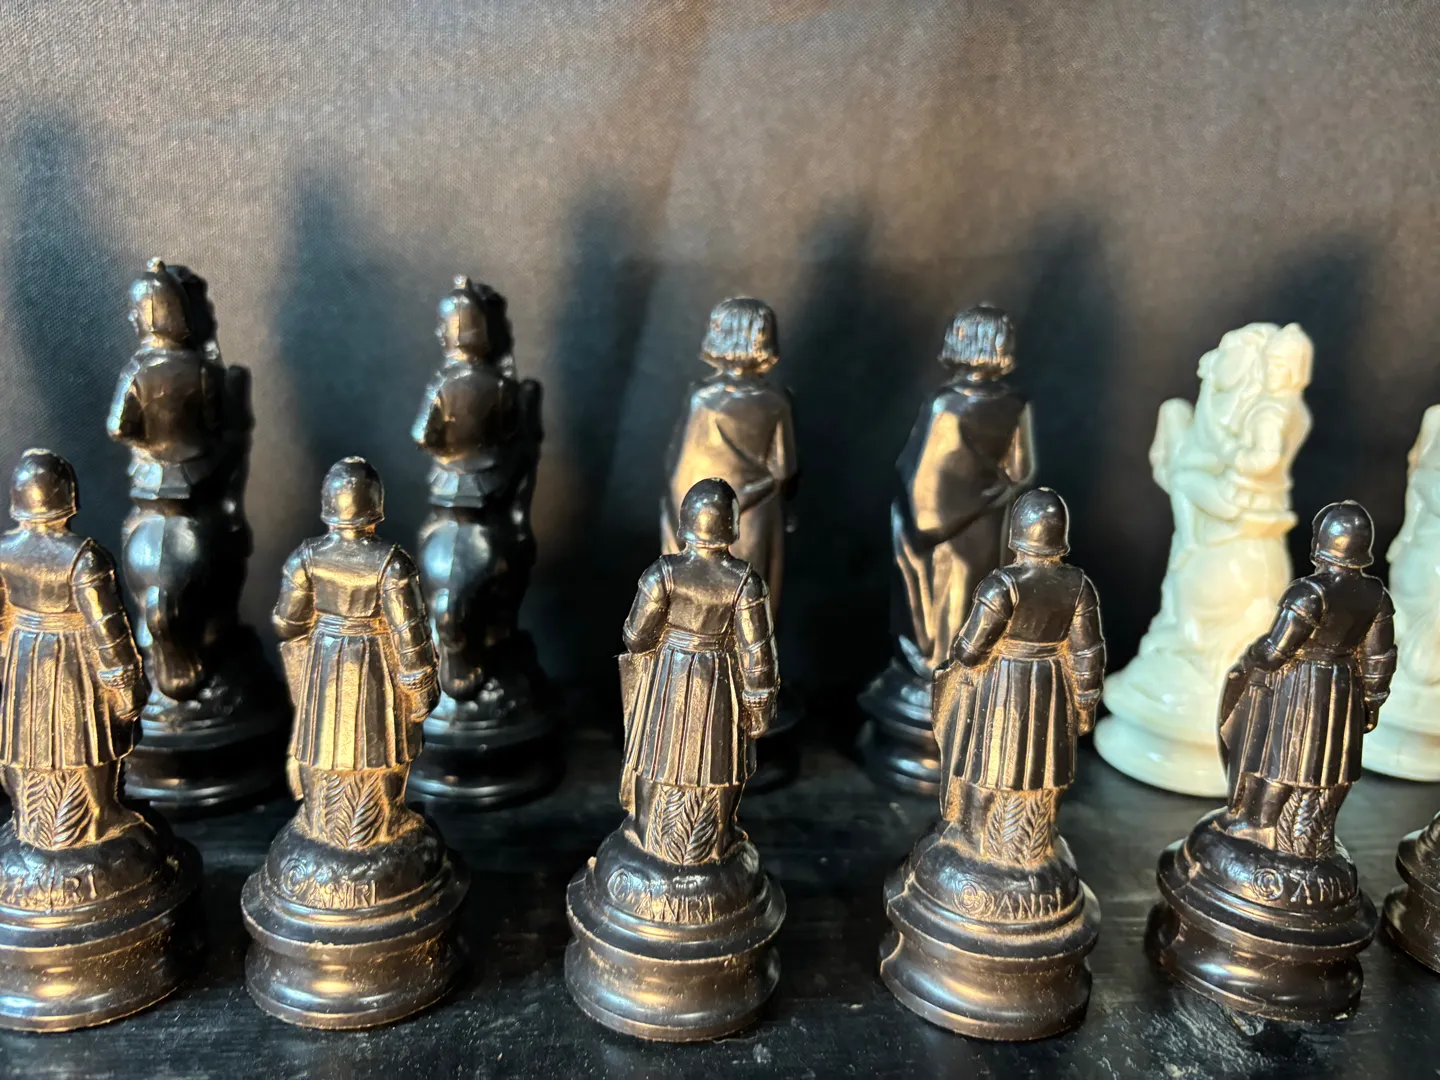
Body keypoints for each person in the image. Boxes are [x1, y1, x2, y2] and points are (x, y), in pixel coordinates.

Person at [272, 457, 438, 847]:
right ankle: (378, 821)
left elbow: (287, 623)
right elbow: (410, 637)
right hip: (378, 665)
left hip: (324, 662)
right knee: (385, 746)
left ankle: (331, 824)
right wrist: (421, 690)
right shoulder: (392, 564)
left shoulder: (306, 558)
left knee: (321, 744)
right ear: (375, 505)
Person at [1219, 501, 1396, 853]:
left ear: (1321, 543)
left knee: (1282, 757)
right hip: (1345, 687)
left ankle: (1261, 825)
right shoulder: (1376, 595)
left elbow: (1275, 651)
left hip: (1299, 684)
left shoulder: (1309, 593)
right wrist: (1372, 702)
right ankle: (1310, 835)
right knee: (1333, 764)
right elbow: (1379, 658)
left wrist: (1248, 661)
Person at [620, 478, 778, 864]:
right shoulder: (745, 583)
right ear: (732, 526)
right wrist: (760, 707)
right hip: (720, 682)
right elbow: (757, 656)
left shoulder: (663, 574)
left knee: (654, 756)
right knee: (722, 764)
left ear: (686, 524)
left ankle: (649, 833)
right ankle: (715, 840)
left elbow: (635, 638)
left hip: (667, 678)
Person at [934, 488, 1104, 840]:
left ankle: (977, 838)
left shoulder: (1001, 586)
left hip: (1001, 684)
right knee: (1046, 769)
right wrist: (1086, 703)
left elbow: (969, 651)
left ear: (1018, 534)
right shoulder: (1079, 586)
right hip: (1053, 686)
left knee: (987, 763)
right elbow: (1088, 652)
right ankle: (1027, 841)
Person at [0, 450, 147, 847]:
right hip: (73, 661)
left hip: (24, 657)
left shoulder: (4, 553)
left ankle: (36, 821)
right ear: (67, 498)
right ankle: (94, 818)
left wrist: (6, 664)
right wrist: (126, 688)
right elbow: (108, 631)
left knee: (26, 740)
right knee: (85, 738)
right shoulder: (85, 558)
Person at [662, 299, 796, 610]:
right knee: (750, 604)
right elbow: (785, 469)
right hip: (755, 517)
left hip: (701, 520)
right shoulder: (777, 401)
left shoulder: (702, 401)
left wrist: (677, 525)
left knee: (695, 606)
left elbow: (679, 470)